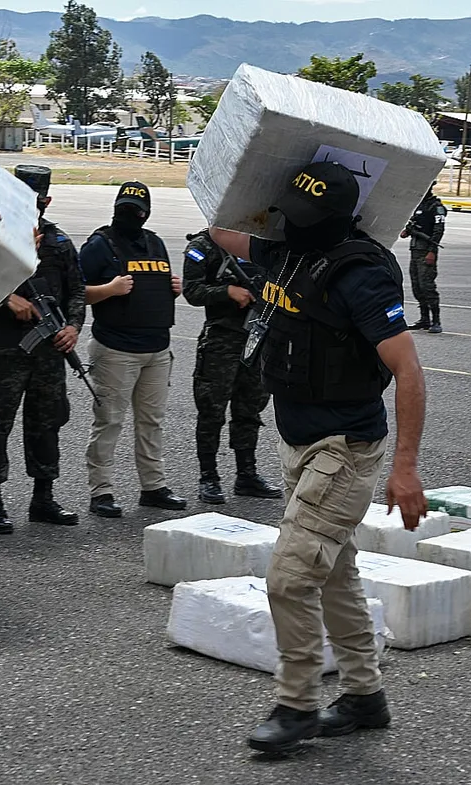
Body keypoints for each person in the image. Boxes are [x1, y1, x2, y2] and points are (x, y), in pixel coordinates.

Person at [209, 161, 428, 754]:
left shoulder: (359, 274)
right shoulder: (284, 248)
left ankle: (297, 704)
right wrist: (240, 157)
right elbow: (222, 229)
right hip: (299, 442)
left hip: (344, 448)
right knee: (333, 574)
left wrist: (405, 467)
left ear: (335, 218)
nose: (291, 223)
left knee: (289, 578)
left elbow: (408, 369)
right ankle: (364, 696)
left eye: (304, 216)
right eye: (288, 212)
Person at [0, 165, 84, 534]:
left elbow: (77, 291)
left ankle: (43, 498)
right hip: (6, 352)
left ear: (46, 201)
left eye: (33, 201)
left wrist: (72, 328)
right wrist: (5, 299)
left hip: (49, 354)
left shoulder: (59, 242)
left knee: (47, 425)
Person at [79, 182, 186, 518]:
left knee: (152, 422)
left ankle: (153, 487)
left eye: (135, 210)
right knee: (109, 422)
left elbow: (157, 283)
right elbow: (74, 292)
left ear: (146, 213)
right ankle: (101, 492)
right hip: (116, 349)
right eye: (123, 208)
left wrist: (174, 288)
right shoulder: (99, 245)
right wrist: (109, 290)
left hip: (157, 349)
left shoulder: (154, 242)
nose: (128, 215)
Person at [181, 228, 281, 505]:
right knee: (211, 410)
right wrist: (227, 292)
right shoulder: (205, 245)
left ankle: (246, 474)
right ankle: (208, 477)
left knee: (250, 409)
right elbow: (192, 290)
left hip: (256, 339)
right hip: (221, 341)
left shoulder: (261, 243)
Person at [400, 186, 446, 333]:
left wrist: (432, 251)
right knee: (417, 287)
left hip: (426, 251)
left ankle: (436, 321)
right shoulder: (419, 205)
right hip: (415, 250)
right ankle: (424, 319)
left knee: (427, 286)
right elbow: (411, 224)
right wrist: (408, 230)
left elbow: (438, 231)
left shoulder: (436, 207)